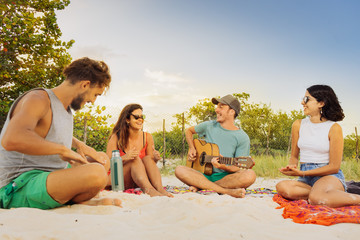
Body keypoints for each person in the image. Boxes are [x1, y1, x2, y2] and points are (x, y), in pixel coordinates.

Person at [0, 57, 121, 209]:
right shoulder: (38, 99)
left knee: (102, 160)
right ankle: (74, 199)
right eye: (95, 94)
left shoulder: (66, 109)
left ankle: (73, 199)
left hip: (49, 176)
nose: (93, 101)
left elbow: (49, 130)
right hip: (19, 185)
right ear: (85, 85)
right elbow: (12, 139)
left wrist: (79, 144)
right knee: (96, 173)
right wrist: (63, 150)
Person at [276, 85, 360, 208]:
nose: (302, 102)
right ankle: (325, 193)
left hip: (329, 176)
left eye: (306, 99)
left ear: (321, 103)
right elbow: (294, 156)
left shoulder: (334, 128)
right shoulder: (298, 125)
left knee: (316, 198)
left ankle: (328, 194)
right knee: (283, 187)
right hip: (306, 179)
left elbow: (334, 167)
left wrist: (303, 173)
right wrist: (292, 167)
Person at [175, 94, 256, 198]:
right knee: (179, 169)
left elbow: (237, 168)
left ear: (232, 111)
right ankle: (226, 191)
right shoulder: (209, 125)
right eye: (217, 107)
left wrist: (223, 166)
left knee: (250, 175)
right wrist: (192, 148)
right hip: (202, 174)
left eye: (221, 107)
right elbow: (189, 131)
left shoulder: (242, 137)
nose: (216, 110)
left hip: (224, 178)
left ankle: (201, 186)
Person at [106, 104, 173, 197]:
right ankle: (150, 190)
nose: (140, 120)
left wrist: (155, 159)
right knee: (135, 159)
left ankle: (160, 189)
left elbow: (149, 164)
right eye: (136, 117)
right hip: (118, 179)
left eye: (142, 117)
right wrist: (124, 158)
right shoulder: (116, 137)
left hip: (139, 180)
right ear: (127, 119)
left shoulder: (147, 137)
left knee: (148, 158)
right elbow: (107, 165)